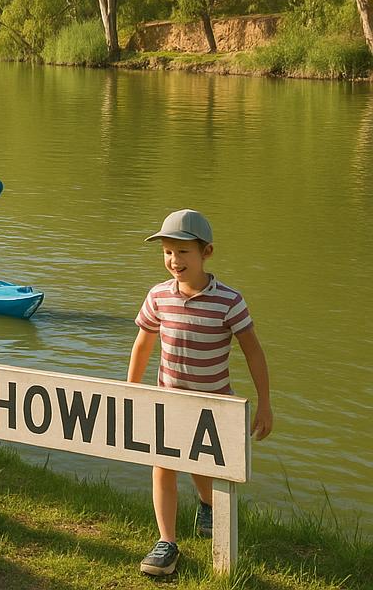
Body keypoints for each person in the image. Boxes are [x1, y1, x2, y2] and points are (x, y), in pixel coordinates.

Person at [127, 209, 273, 577]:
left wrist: (265, 404)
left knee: (203, 465)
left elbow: (253, 351)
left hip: (215, 403)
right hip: (169, 399)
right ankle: (167, 542)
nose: (174, 261)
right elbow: (143, 342)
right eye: (167, 252)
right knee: (163, 465)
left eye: (183, 252)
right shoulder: (158, 296)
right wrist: (132, 390)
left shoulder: (229, 300)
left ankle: (207, 504)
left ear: (206, 252)